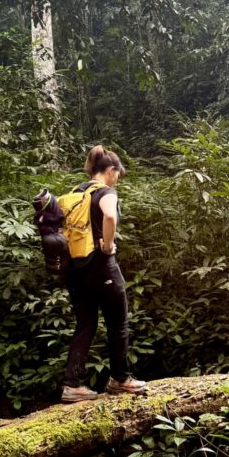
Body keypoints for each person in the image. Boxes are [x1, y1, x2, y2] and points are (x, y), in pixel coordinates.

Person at [61, 145, 147, 402]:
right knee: (118, 322)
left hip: (75, 269)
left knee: (85, 325)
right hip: (101, 266)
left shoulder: (73, 194)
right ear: (110, 170)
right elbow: (109, 217)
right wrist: (108, 245)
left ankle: (72, 384)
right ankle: (120, 379)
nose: (117, 177)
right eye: (117, 173)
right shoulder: (106, 192)